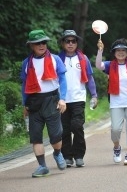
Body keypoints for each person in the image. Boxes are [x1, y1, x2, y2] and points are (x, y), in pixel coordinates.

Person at [21, 29, 67, 177]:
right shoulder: (26, 63)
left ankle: (58, 153)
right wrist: (24, 104)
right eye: (37, 43)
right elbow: (24, 84)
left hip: (52, 99)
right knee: (35, 136)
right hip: (34, 101)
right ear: (31, 46)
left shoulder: (55, 59)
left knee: (56, 135)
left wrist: (62, 99)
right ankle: (42, 166)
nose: (41, 45)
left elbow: (63, 80)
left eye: (43, 42)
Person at [58, 30, 98, 167]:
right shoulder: (57, 59)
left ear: (77, 43)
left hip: (78, 98)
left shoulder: (83, 58)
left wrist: (94, 95)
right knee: (64, 129)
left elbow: (90, 78)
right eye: (67, 41)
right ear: (63, 43)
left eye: (73, 41)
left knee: (77, 126)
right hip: (62, 100)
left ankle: (79, 155)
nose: (70, 44)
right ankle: (67, 157)